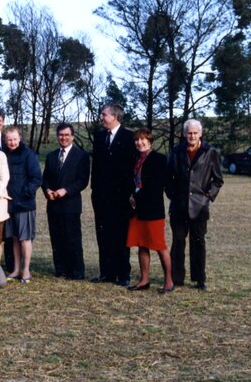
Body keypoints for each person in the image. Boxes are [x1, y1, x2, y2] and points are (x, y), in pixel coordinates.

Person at [165, 118, 224, 291]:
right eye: (189, 133)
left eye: (195, 133)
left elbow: (218, 180)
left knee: (198, 242)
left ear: (200, 134)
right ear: (184, 134)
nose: (192, 136)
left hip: (200, 206)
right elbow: (168, 178)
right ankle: (176, 278)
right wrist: (172, 195)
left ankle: (199, 279)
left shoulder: (210, 152)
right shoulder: (176, 152)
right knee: (178, 242)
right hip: (179, 205)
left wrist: (208, 196)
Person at [90, 103, 136, 287]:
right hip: (101, 196)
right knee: (103, 234)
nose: (102, 117)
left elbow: (132, 168)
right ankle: (106, 273)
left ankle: (123, 274)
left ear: (115, 116)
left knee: (121, 236)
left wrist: (130, 194)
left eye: (104, 114)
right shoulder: (100, 137)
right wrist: (94, 191)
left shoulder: (129, 137)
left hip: (122, 197)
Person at [125, 129, 173, 293]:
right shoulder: (135, 159)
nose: (140, 142)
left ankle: (169, 280)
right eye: (137, 140)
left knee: (159, 245)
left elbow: (155, 186)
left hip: (152, 209)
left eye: (143, 139)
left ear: (150, 141)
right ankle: (144, 279)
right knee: (141, 244)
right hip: (136, 210)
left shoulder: (159, 159)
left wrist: (136, 198)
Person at [42, 123, 90, 280]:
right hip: (53, 204)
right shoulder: (51, 156)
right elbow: (45, 179)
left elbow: (82, 181)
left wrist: (66, 190)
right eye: (61, 135)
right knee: (57, 238)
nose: (64, 138)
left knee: (72, 238)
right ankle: (60, 269)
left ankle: (76, 271)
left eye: (67, 135)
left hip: (71, 204)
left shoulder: (81, 156)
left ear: (73, 136)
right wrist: (48, 190)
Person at [2, 126, 42, 283]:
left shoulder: (29, 154)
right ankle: (16, 269)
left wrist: (25, 193)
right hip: (9, 204)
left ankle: (26, 270)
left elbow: (36, 178)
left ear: (20, 139)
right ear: (5, 140)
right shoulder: (3, 155)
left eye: (15, 139)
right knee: (14, 238)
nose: (12, 142)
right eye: (9, 140)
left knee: (25, 238)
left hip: (24, 204)